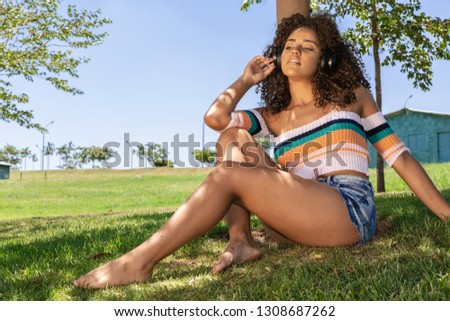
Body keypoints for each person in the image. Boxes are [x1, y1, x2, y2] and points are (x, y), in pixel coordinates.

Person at [74, 13, 449, 289]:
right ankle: (241, 242)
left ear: (327, 59)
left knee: (231, 173)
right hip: (291, 221)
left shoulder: (352, 99)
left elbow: (399, 156)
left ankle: (140, 262)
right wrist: (245, 79)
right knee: (231, 140)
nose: (295, 52)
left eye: (308, 47)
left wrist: (446, 212)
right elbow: (216, 118)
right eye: (289, 46)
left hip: (347, 212)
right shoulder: (273, 115)